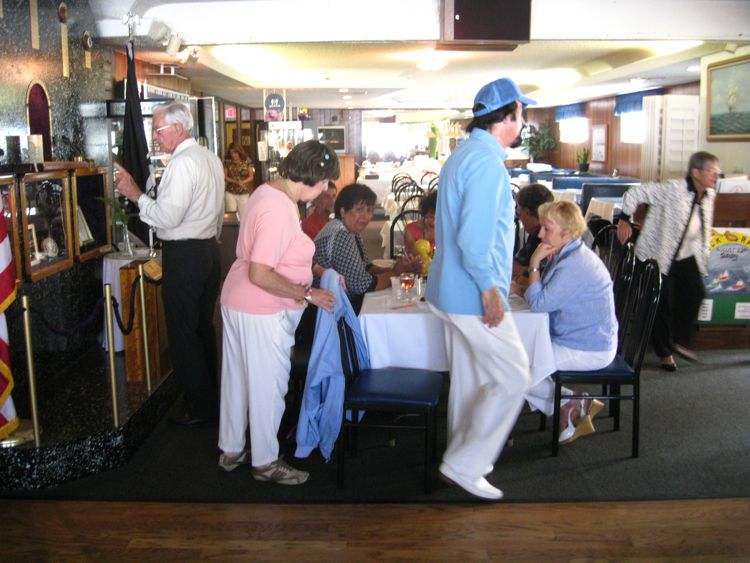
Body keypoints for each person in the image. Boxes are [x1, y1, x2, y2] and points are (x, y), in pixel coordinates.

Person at [424, 77, 533, 500]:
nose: (523, 122)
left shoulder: (464, 154)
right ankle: (464, 464)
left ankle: (458, 459)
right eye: (521, 114)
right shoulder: (487, 163)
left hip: (448, 292)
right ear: (507, 118)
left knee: (470, 381)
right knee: (514, 376)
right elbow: (473, 239)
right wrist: (490, 289)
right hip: (471, 294)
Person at [218, 140, 338, 485]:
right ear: (313, 178)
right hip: (260, 307)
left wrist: (312, 270)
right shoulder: (280, 208)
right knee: (268, 385)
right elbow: (261, 272)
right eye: (326, 183)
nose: (325, 191)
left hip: (238, 299)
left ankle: (231, 449)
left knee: (238, 381)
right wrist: (307, 293)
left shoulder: (268, 192)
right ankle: (266, 462)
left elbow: (275, 253)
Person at [115, 101, 224, 426]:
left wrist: (136, 195)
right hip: (208, 251)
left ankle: (199, 407)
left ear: (178, 128)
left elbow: (167, 216)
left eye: (157, 130)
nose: (154, 137)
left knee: (183, 333)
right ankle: (210, 396)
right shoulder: (210, 158)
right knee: (203, 328)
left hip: (186, 255)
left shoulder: (182, 164)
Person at [524, 200, 617, 443]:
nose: (541, 234)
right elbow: (544, 296)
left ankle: (567, 404)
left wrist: (534, 264)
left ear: (567, 232)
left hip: (587, 347)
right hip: (573, 337)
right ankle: (570, 403)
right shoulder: (569, 253)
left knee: (512, 372)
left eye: (547, 228)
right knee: (512, 364)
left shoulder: (576, 263)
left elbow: (539, 303)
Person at [617, 151, 718, 371]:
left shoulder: (709, 195)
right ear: (695, 172)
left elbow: (702, 229)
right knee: (663, 305)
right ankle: (664, 353)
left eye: (716, 171)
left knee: (696, 293)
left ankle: (677, 341)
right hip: (659, 253)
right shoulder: (673, 189)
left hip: (685, 254)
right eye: (711, 170)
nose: (715, 175)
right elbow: (636, 192)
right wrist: (625, 219)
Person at [313, 183, 422, 314]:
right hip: (328, 310)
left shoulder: (350, 230)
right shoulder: (340, 234)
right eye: (359, 210)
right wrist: (395, 273)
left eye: (369, 210)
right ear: (343, 211)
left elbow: (365, 267)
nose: (366, 216)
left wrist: (395, 268)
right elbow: (361, 285)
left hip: (336, 302)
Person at [511, 183, 554, 292]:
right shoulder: (535, 234)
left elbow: (543, 284)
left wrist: (520, 277)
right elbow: (515, 265)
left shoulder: (551, 238)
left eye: (518, 210)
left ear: (527, 212)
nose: (518, 216)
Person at [224, 142, 255, 218]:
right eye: (231, 153)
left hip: (243, 191)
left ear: (239, 152)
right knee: (232, 214)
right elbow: (224, 176)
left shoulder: (247, 161)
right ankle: (233, 230)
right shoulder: (227, 161)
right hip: (230, 191)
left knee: (244, 215)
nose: (233, 155)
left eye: (235, 153)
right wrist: (236, 182)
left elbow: (251, 176)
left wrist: (243, 182)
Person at [403, 190, 437, 256]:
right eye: (430, 217)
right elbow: (415, 256)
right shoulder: (410, 230)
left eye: (438, 218)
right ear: (424, 214)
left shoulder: (442, 229)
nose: (434, 222)